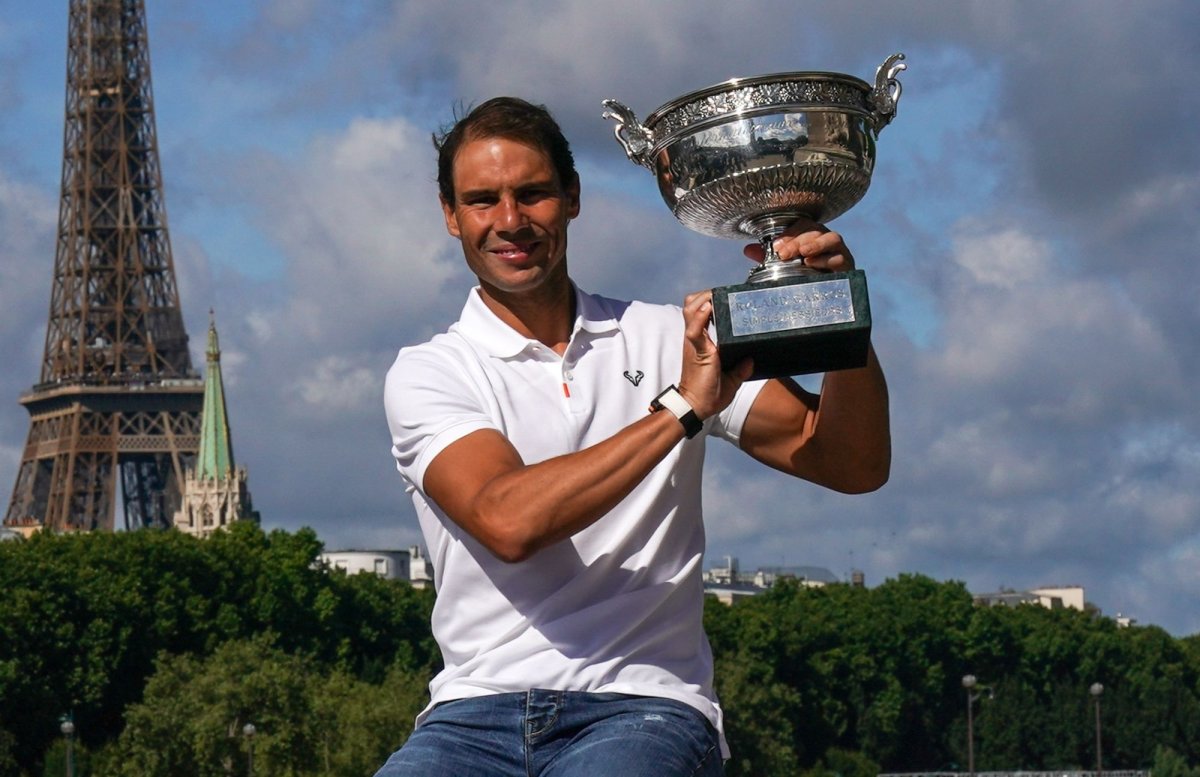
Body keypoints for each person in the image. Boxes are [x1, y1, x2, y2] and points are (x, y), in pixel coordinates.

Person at [376, 96, 890, 776]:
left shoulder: (668, 336)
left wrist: (838, 310)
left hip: (642, 705)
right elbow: (508, 520)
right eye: (482, 200)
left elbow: (851, 462)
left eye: (532, 194)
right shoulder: (430, 371)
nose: (510, 222)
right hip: (472, 715)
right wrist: (682, 407)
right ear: (450, 215)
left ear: (573, 197)